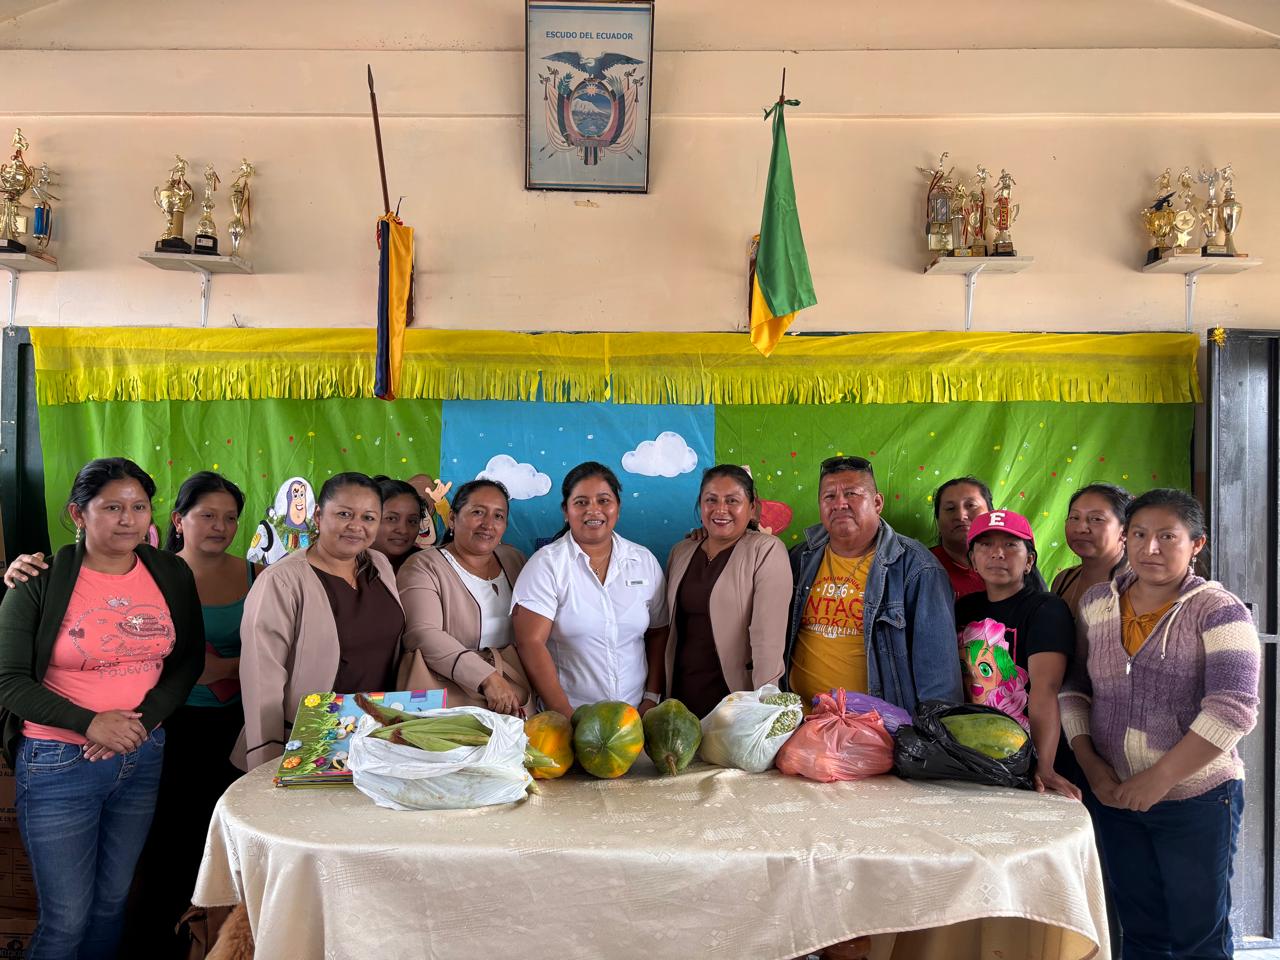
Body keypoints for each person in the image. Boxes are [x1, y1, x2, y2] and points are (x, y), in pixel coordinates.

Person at [0, 458, 204, 960]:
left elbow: (187, 661)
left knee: (112, 905)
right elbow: (8, 681)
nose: (128, 519)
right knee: (65, 920)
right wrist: (90, 723)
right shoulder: (38, 579)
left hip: (141, 755)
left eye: (139, 506)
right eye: (112, 507)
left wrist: (141, 724)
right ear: (79, 513)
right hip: (58, 763)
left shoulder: (170, 571)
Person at [1060, 489, 1259, 959]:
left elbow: (1232, 709)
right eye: (1140, 534)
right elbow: (1075, 688)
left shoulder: (1219, 610)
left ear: (1196, 544)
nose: (1150, 548)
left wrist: (1159, 779)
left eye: (1168, 536)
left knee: (1198, 938)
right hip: (1115, 798)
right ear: (1125, 539)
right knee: (1140, 931)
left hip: (1197, 800)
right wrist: (1092, 766)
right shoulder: (1097, 603)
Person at [235, 472, 403, 770]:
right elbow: (261, 678)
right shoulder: (282, 580)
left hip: (374, 738)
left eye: (368, 517)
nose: (356, 526)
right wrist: (267, 760)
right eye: (344, 514)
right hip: (305, 743)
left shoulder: (379, 565)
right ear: (317, 516)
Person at [785, 456, 961, 713]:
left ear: (877, 503)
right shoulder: (799, 559)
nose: (839, 504)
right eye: (829, 497)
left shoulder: (918, 568)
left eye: (851, 494)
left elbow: (939, 677)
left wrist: (933, 731)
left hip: (876, 726)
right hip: (799, 719)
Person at [512, 462, 668, 717]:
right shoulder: (546, 564)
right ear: (566, 510)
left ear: (618, 507)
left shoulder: (643, 561)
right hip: (569, 719)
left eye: (603, 500)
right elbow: (530, 643)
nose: (593, 510)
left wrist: (651, 698)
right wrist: (568, 717)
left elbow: (659, 632)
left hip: (635, 719)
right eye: (581, 502)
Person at [954, 509, 1080, 798]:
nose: (998, 553)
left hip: (1029, 758)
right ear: (972, 560)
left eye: (1011, 545)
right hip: (975, 754)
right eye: (985, 545)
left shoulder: (1046, 609)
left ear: (1029, 561)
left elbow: (1046, 690)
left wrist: (1044, 766)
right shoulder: (963, 608)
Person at [663, 465, 792, 717]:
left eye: (732, 500)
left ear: (752, 508)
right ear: (700, 505)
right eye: (711, 500)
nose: (720, 509)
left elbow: (768, 640)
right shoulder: (681, 551)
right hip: (680, 698)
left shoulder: (766, 550)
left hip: (735, 702)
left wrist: (764, 708)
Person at [396, 479, 531, 715]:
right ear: (452, 518)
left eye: (498, 516)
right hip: (450, 697)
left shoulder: (515, 560)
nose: (488, 524)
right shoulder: (423, 566)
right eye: (478, 512)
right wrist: (486, 677)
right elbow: (422, 634)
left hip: (513, 697)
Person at [1051, 482, 1131, 617]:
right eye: (1074, 518)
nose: (1080, 528)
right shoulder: (1063, 580)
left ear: (1125, 531)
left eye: (1096, 519)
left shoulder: (1138, 586)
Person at [930, 476, 993, 598]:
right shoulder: (921, 568)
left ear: (991, 514)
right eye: (950, 509)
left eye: (971, 505)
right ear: (938, 520)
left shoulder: (1013, 563)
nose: (960, 516)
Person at [371, 475, 429, 573]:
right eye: (391, 518)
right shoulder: (346, 564)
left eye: (412, 521)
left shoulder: (426, 565)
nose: (403, 530)